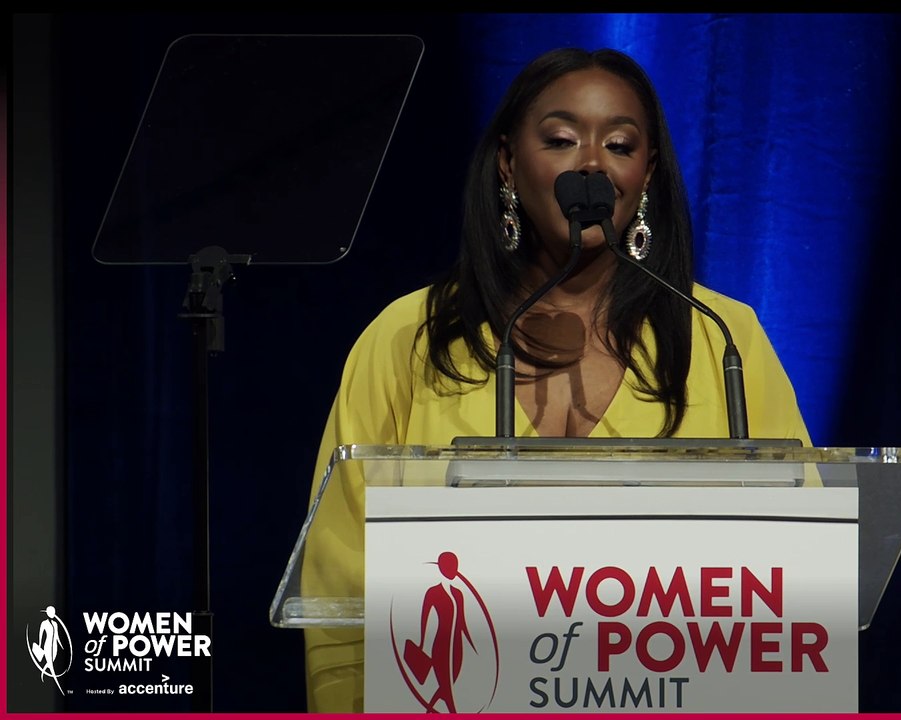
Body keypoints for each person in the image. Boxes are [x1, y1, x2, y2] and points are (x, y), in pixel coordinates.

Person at [301, 47, 813, 713]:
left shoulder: (723, 338)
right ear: (509, 161)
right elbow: (339, 599)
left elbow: (803, 584)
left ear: (646, 173)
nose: (592, 163)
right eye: (562, 139)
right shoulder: (407, 340)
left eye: (621, 143)